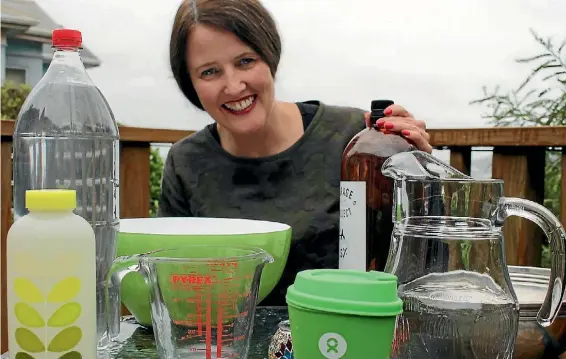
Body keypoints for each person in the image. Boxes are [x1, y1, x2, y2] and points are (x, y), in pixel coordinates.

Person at [159, 0, 432, 305]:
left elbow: (424, 259)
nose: (234, 86)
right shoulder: (185, 163)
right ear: (190, 83)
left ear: (269, 56)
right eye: (210, 72)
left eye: (246, 61)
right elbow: (171, 288)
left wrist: (421, 177)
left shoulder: (356, 140)